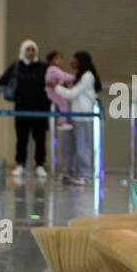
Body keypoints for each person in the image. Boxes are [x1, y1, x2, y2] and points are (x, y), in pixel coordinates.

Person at [0, 39, 51, 182]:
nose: (30, 53)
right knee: (22, 137)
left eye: (33, 50)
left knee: (40, 138)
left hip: (40, 108)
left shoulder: (43, 67)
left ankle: (40, 164)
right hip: (22, 107)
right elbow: (3, 80)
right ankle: (20, 164)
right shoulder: (17, 66)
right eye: (28, 50)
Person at [52, 51, 101, 186]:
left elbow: (72, 94)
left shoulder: (87, 77)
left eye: (75, 59)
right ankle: (69, 172)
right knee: (68, 148)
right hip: (73, 117)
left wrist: (55, 87)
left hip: (83, 119)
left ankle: (85, 174)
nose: (72, 62)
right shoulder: (78, 77)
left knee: (82, 148)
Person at [43, 51, 75, 133]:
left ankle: (62, 121)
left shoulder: (56, 70)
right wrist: (75, 77)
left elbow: (62, 80)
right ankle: (61, 123)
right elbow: (64, 76)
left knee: (64, 103)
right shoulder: (52, 69)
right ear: (51, 61)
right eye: (57, 58)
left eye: (61, 58)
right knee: (63, 104)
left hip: (55, 91)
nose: (60, 60)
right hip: (52, 92)